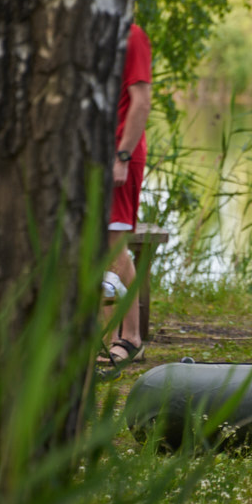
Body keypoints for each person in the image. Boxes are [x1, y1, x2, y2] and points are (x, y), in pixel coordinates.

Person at [99, 22, 152, 365]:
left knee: (114, 247)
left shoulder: (131, 36)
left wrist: (122, 156)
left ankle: (130, 338)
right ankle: (104, 338)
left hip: (120, 158)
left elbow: (142, 101)